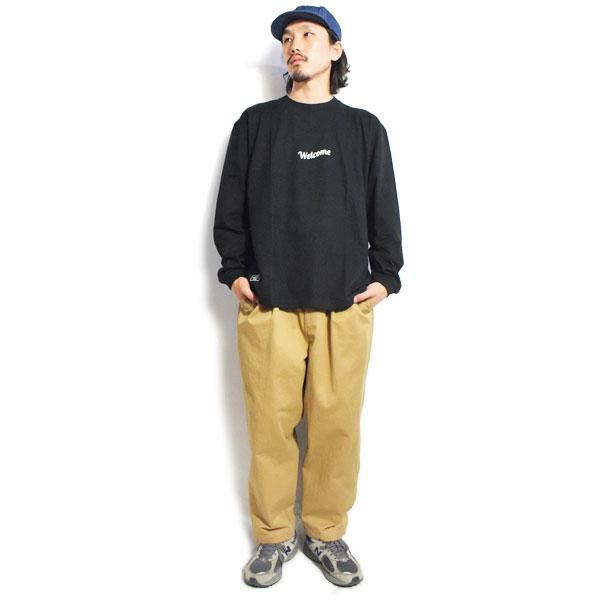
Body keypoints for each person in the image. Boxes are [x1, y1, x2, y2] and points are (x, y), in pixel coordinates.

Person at [213, 5, 404, 588]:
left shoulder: (363, 129)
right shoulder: (256, 124)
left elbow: (384, 206)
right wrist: (235, 271)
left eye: (309, 35)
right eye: (288, 38)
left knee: (336, 427)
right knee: (269, 426)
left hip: (346, 306)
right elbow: (231, 205)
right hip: (269, 306)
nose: (294, 45)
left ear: (335, 49)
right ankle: (274, 537)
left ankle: (325, 532)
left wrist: (386, 275)